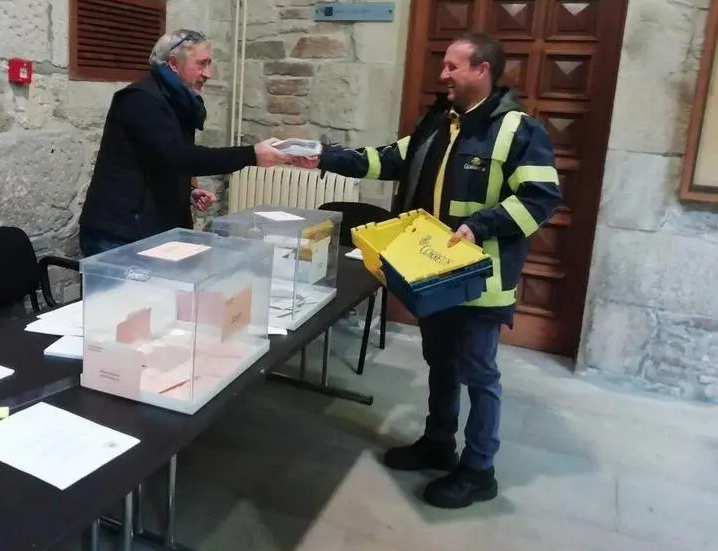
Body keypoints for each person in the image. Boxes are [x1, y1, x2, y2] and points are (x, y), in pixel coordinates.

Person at [293, 32, 562, 509]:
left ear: (482, 70)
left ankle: (480, 469)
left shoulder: (519, 130)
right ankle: (439, 442)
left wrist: (482, 224)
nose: (443, 75)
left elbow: (540, 199)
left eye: (453, 67)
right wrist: (322, 155)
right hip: (431, 274)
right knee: (440, 362)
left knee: (479, 374)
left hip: (482, 280)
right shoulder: (437, 122)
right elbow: (386, 160)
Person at [78, 28, 290, 256]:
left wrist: (186, 191)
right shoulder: (141, 99)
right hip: (121, 232)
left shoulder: (177, 100)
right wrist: (252, 154)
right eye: (201, 64)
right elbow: (178, 156)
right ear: (172, 63)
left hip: (152, 226)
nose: (207, 73)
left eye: (209, 63)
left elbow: (158, 160)